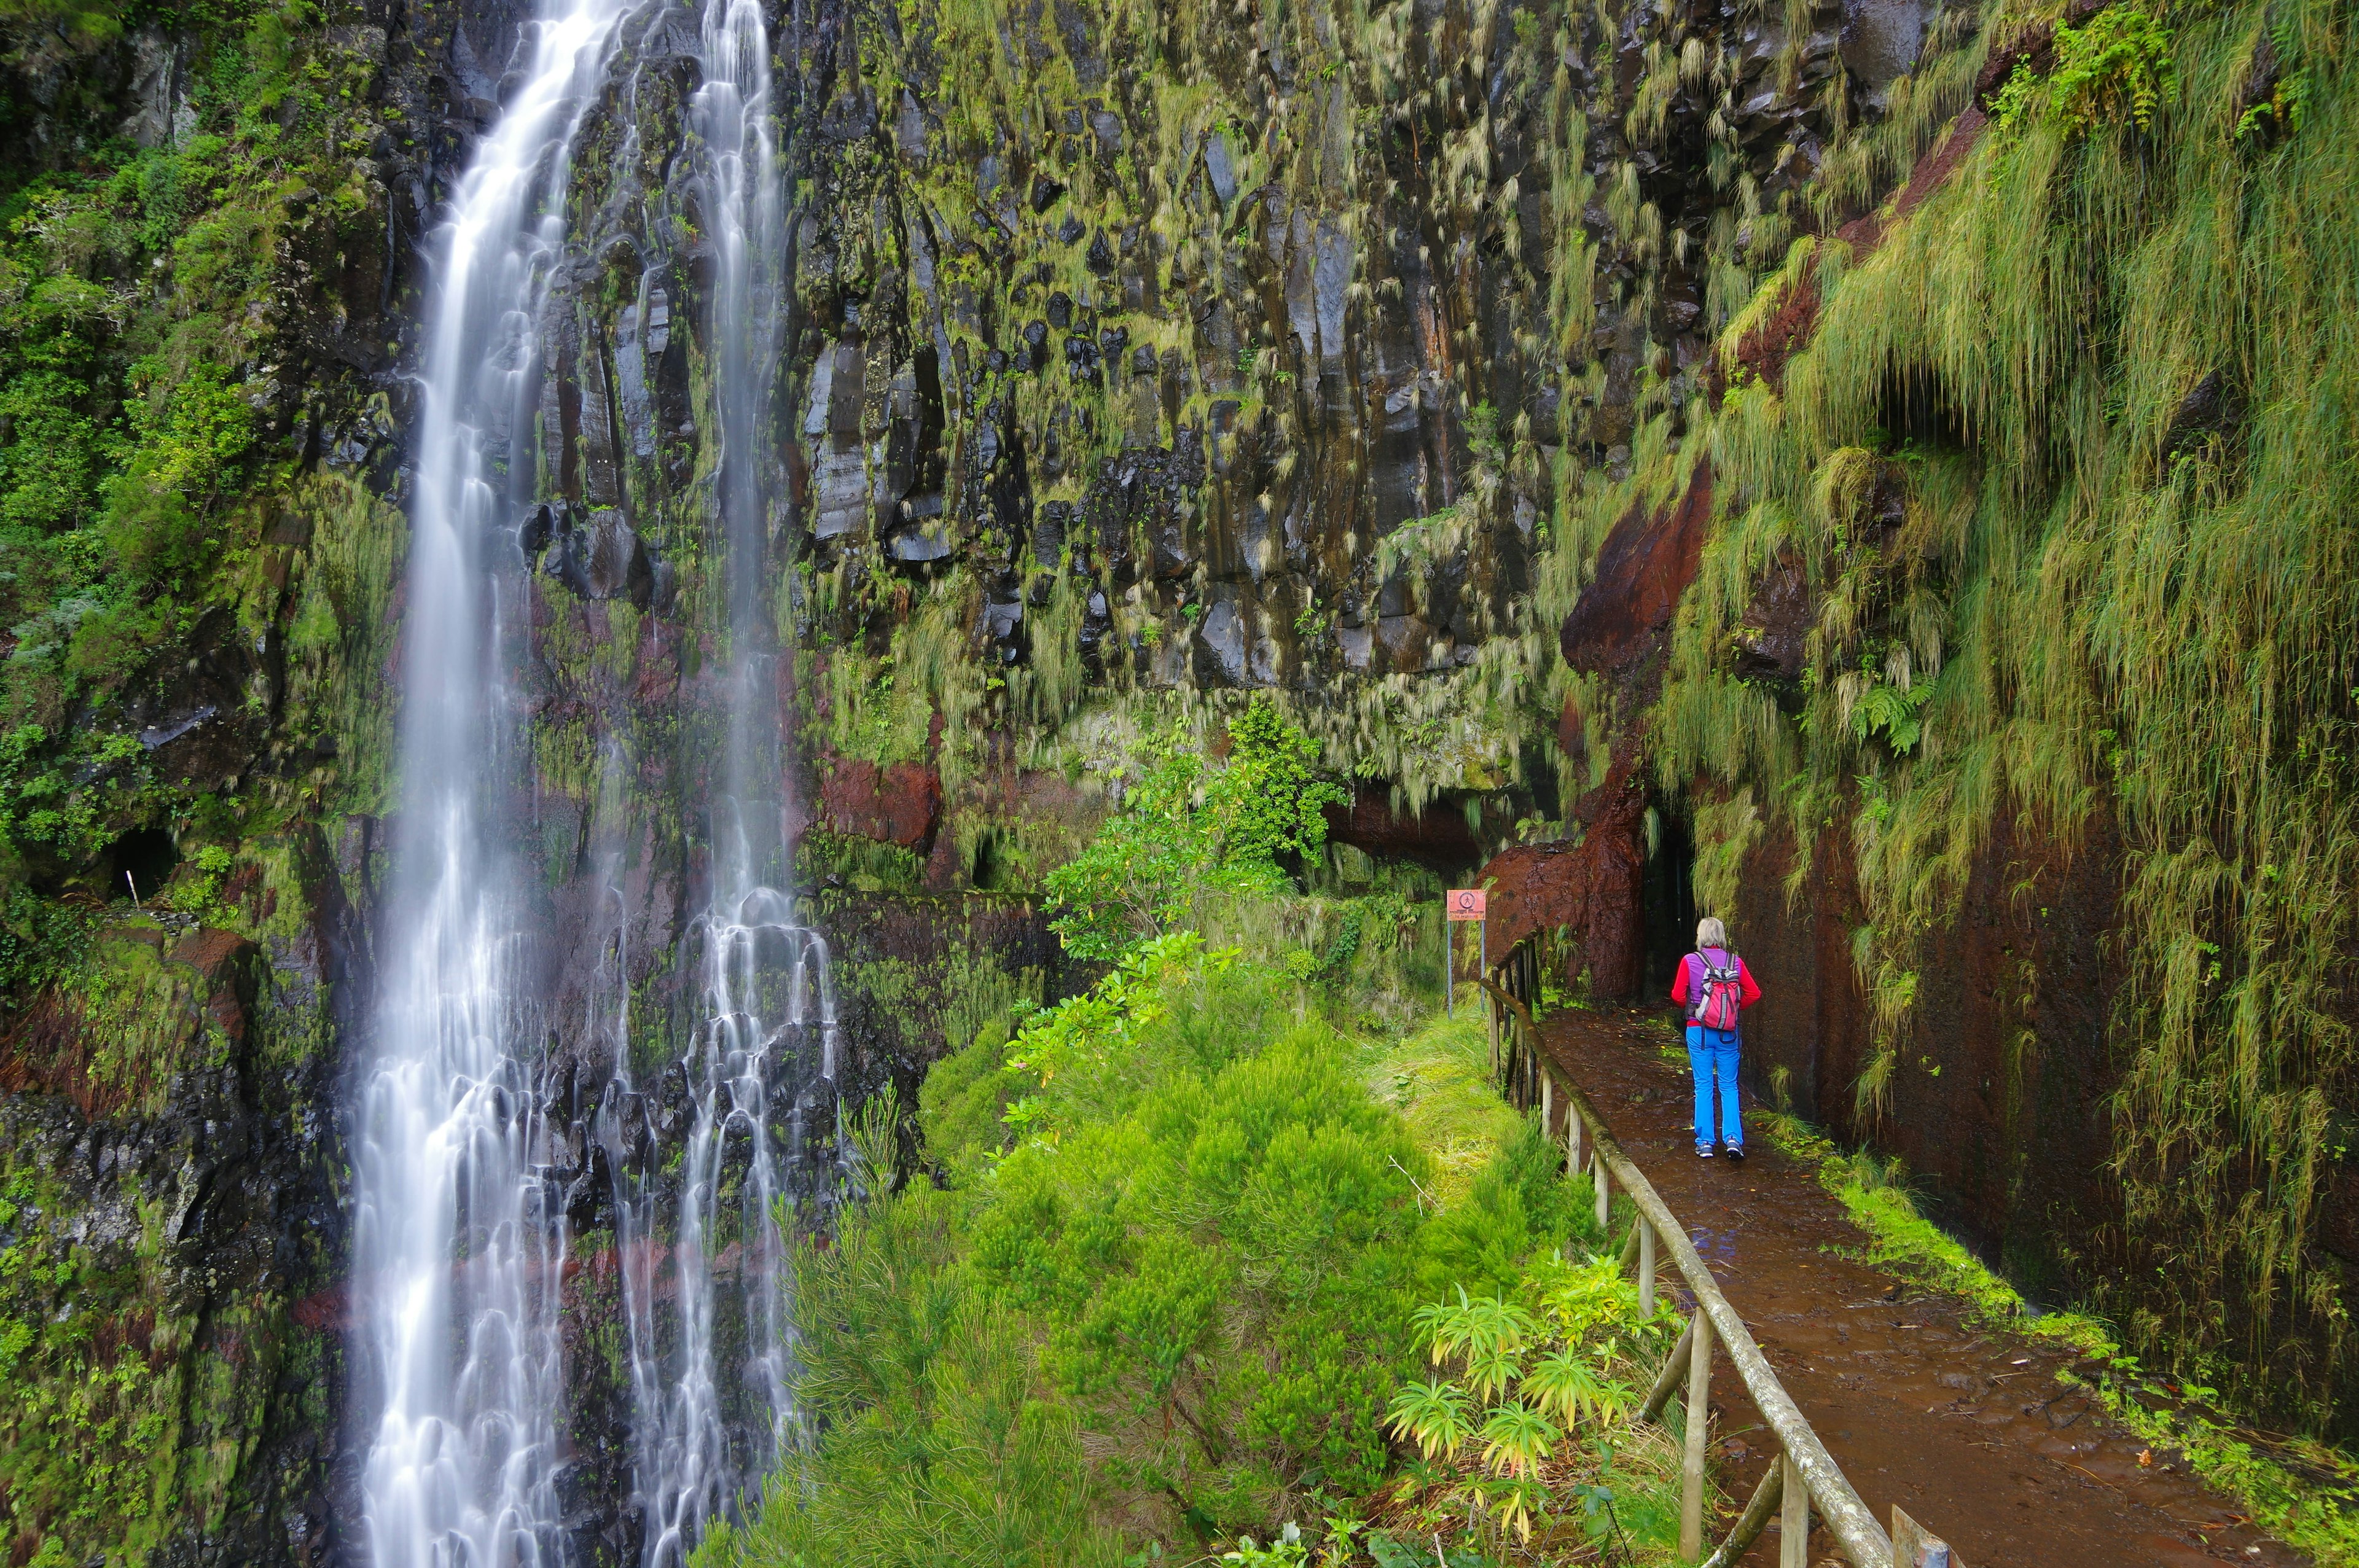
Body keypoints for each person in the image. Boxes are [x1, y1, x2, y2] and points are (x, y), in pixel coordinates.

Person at [1669, 916, 1761, 1161]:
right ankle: (1733, 1140)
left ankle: (1706, 1143)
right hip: (1729, 1033)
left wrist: (1697, 1007)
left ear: (1701, 937)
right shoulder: (1736, 962)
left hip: (1698, 1030)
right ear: (1721, 937)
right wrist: (1732, 1010)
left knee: (1703, 1085)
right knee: (1729, 1086)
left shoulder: (1690, 961)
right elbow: (1754, 993)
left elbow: (1677, 996)